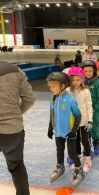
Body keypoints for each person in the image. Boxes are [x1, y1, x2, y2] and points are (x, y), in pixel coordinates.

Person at [0, 61, 35, 195]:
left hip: (13, 130)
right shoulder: (14, 70)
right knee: (17, 167)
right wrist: (15, 114)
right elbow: (30, 98)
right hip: (13, 131)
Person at [46, 72, 85, 188]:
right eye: (50, 86)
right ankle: (60, 167)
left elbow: (78, 116)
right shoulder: (53, 99)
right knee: (59, 150)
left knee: (72, 152)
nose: (51, 89)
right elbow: (51, 115)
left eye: (53, 86)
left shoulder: (70, 101)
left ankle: (79, 171)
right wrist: (50, 128)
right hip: (58, 131)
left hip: (70, 132)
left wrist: (74, 130)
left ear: (62, 86)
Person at [66, 67, 93, 173]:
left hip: (84, 121)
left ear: (82, 80)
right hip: (73, 122)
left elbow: (89, 106)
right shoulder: (68, 91)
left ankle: (87, 158)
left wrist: (90, 120)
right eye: (73, 80)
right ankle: (78, 156)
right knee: (75, 141)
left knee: (85, 141)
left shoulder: (86, 91)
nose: (75, 82)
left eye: (77, 80)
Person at [81, 60, 99, 155]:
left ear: (94, 71)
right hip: (84, 110)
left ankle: (96, 142)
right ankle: (87, 143)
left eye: (90, 71)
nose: (88, 73)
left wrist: (95, 107)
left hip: (94, 110)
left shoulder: (97, 83)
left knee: (94, 126)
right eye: (86, 71)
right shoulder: (82, 83)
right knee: (86, 127)